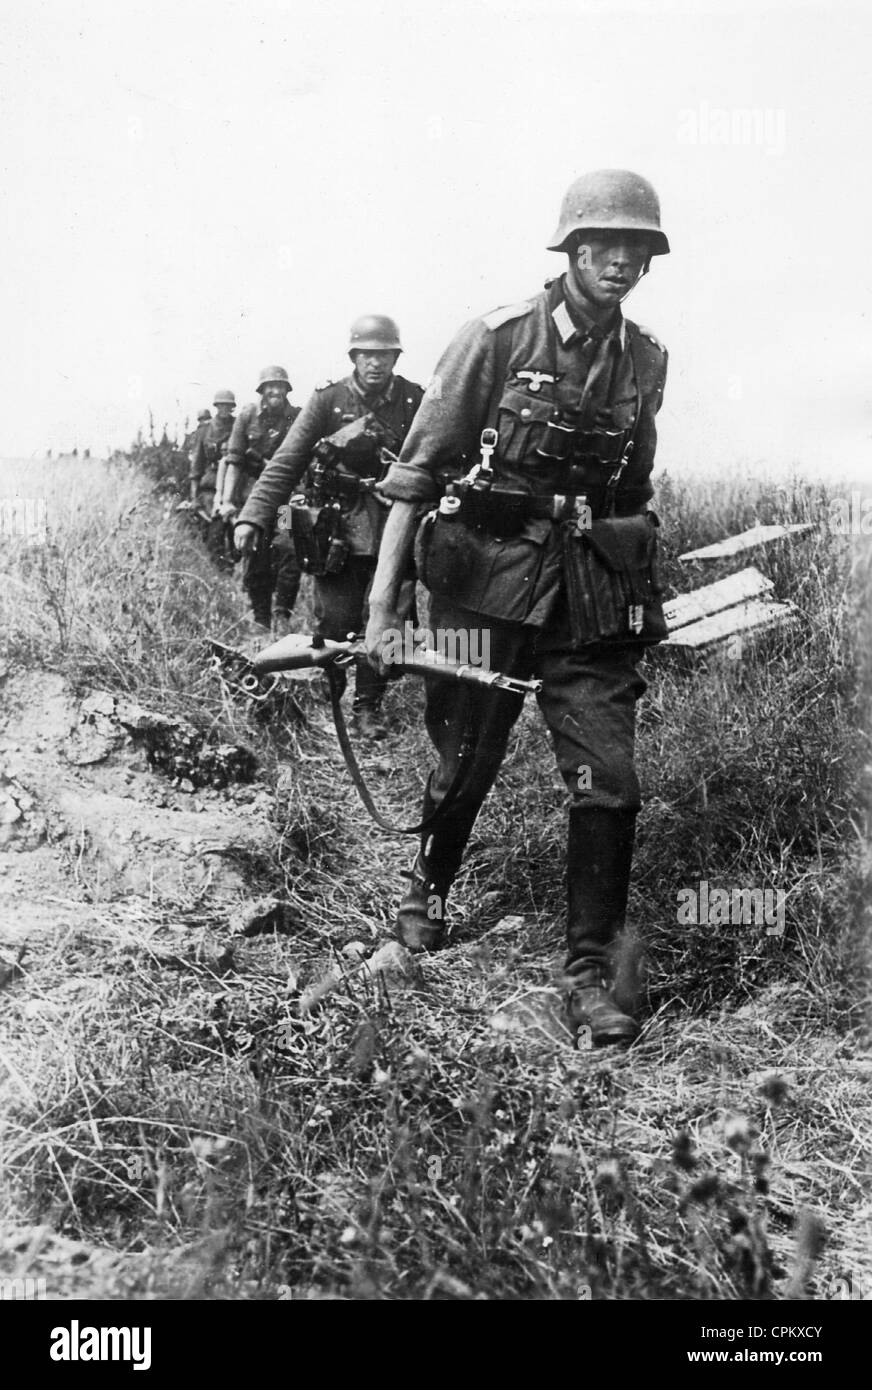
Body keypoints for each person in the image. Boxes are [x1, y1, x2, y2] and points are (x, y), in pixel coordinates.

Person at [364, 170, 671, 1046]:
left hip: (589, 594)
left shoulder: (646, 357)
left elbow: (635, 485)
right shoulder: (496, 338)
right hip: (480, 578)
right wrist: (386, 609)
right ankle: (427, 887)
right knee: (467, 754)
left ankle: (590, 973)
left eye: (635, 247)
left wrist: (643, 592)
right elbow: (416, 479)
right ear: (570, 249)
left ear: (649, 260)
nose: (618, 260)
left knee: (607, 780)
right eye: (602, 244)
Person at [234, 317, 424, 738]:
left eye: (384, 354)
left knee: (385, 618)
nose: (375, 363)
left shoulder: (414, 400)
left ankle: (368, 706)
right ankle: (335, 695)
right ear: (354, 356)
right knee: (337, 622)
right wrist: (253, 516)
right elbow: (287, 461)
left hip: (396, 527)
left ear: (395, 356)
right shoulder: (327, 401)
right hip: (337, 526)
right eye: (366, 354)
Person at [219, 366, 302, 635]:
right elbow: (234, 460)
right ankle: (261, 617)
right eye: (270, 386)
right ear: (262, 390)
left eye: (280, 386)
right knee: (256, 555)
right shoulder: (246, 417)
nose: (275, 391)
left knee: (288, 547)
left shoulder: (297, 417)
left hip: (286, 499)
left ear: (287, 390)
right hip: (255, 499)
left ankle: (282, 613)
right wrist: (228, 500)